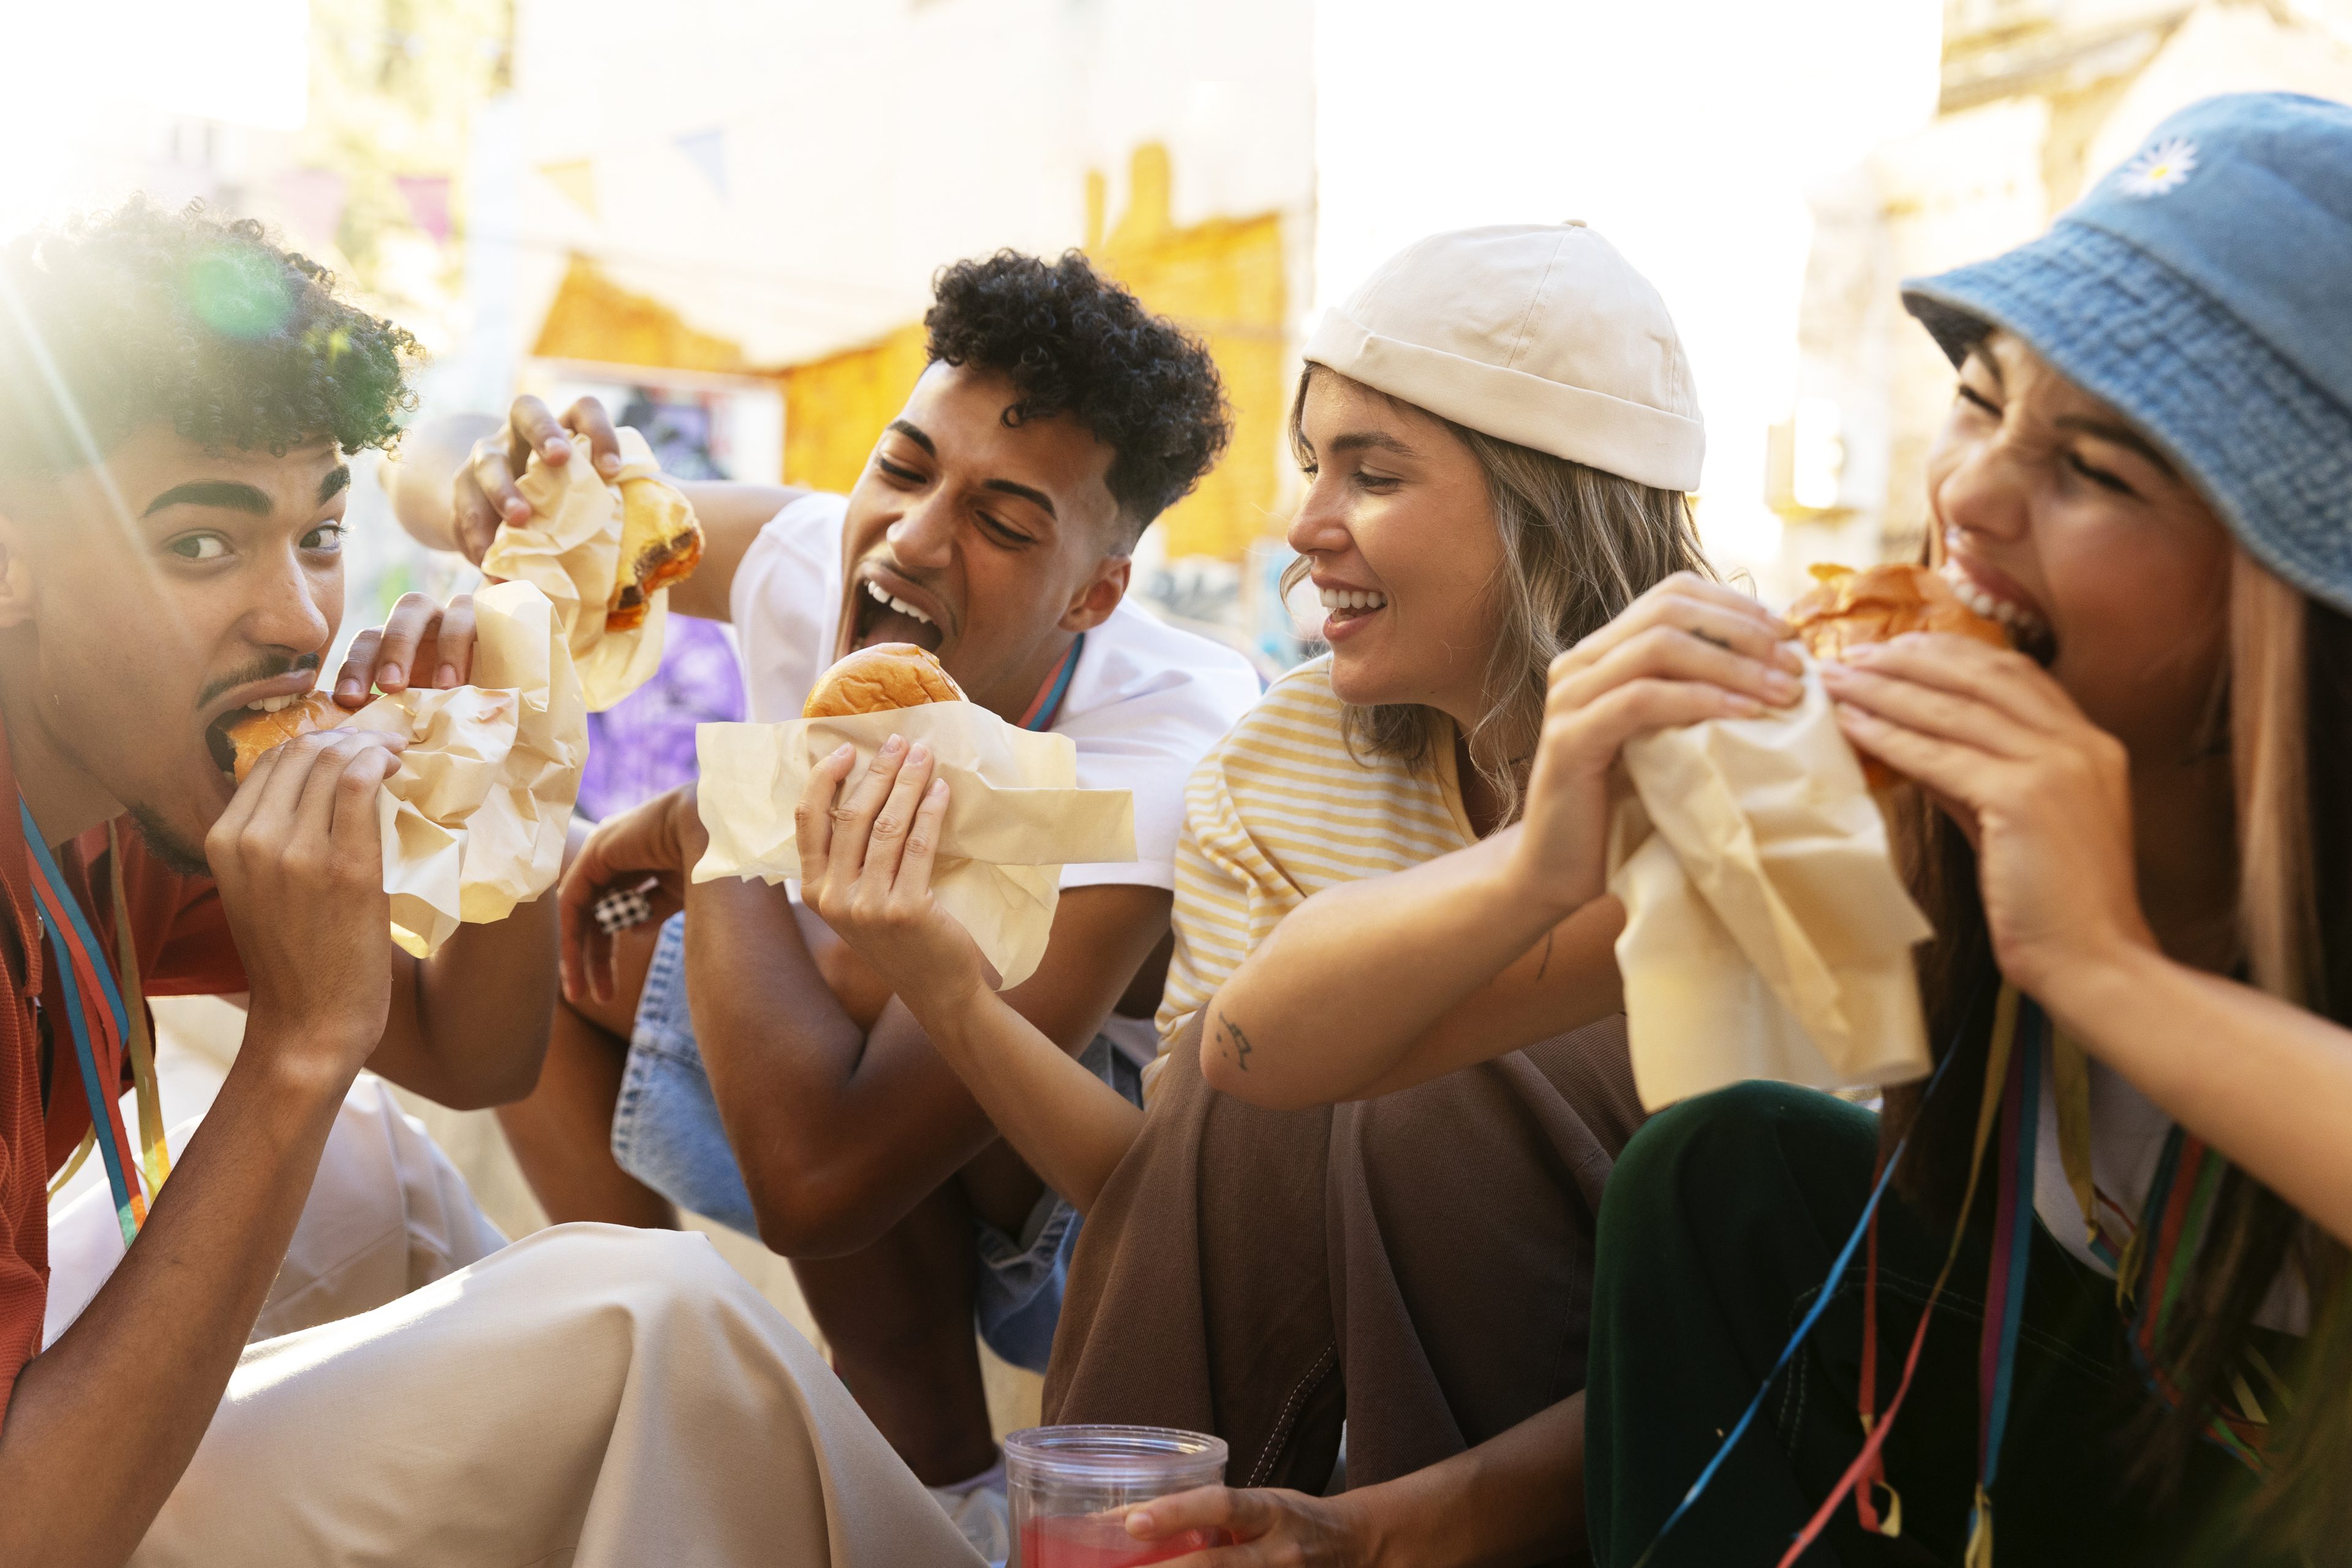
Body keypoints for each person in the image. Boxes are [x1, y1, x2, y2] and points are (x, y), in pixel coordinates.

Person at [1342, 96, 2350, 1565]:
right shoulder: (1918, 798)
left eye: (2101, 470)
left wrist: (2103, 965)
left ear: (2287, 592)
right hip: (2092, 1446)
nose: (1968, 497)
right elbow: (1286, 1051)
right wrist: (1551, 849)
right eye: (1984, 401)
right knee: (1727, 1170)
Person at [0, 198, 981, 1568]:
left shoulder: (118, 804)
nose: (293, 615)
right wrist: (295, 1050)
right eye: (203, 545)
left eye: (322, 531)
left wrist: (512, 760)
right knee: (651, 1319)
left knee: (367, 1166)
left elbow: (473, 1049)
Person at [800, 223, 1722, 1564]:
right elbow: (1182, 1184)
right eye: (1311, 464)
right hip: (1369, 1398)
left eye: (1375, 472)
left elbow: (1784, 1288)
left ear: (1542, 502)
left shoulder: (1759, 762)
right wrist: (943, 981)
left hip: (1686, 1399)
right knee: (1286, 1068)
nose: (1304, 526)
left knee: (1410, 1060)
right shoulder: (1280, 762)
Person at [394, 249, 1261, 1533]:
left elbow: (822, 1177)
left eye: (1004, 519)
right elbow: (439, 476)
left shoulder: (1155, 752)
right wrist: (500, 480)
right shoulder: (824, 558)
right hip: (867, 1060)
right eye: (907, 467)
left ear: (1096, 590)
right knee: (583, 916)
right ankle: (654, 1359)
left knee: (850, 952)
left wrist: (711, 814)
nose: (913, 536)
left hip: (1090, 1220)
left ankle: (941, 1494)